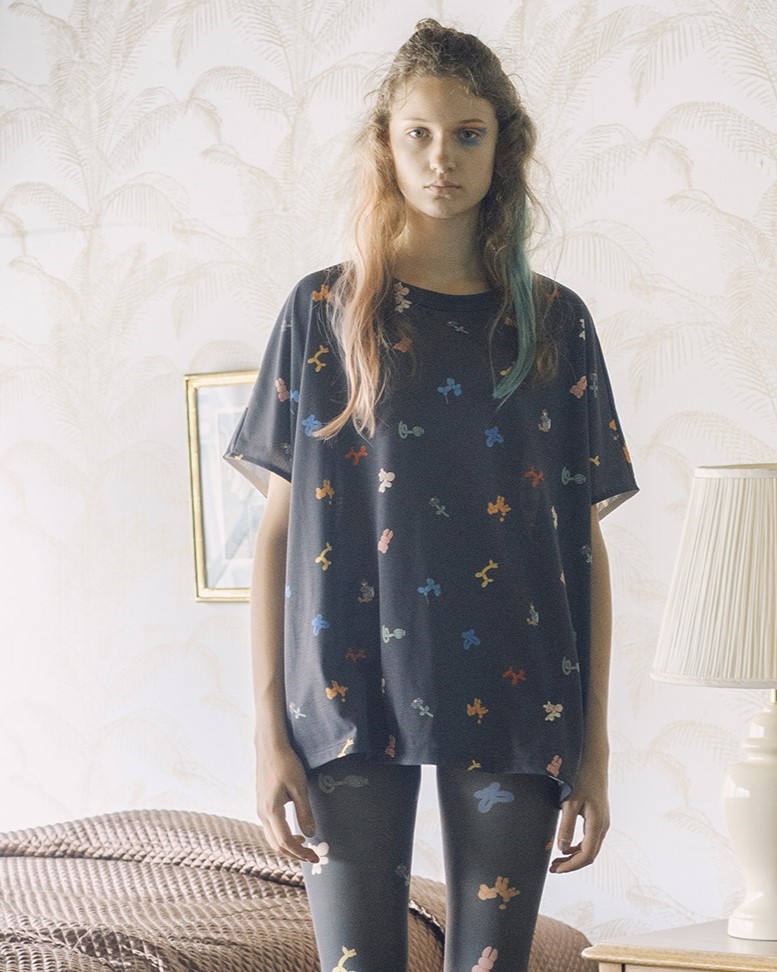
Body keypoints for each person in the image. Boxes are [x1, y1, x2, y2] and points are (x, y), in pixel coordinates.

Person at [225, 19, 638, 972]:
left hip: (518, 686)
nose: (441, 157)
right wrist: (267, 732)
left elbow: (582, 544)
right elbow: (277, 534)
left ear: (502, 147)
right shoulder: (323, 312)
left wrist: (595, 747)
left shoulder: (556, 325)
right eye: (418, 133)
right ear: (386, 143)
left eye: (466, 133)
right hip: (344, 691)